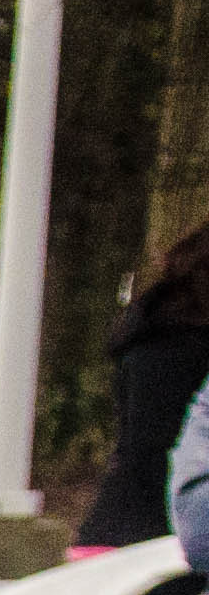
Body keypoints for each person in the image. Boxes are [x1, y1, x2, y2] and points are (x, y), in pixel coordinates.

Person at [75, 221, 209, 557]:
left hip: (113, 532)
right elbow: (159, 451)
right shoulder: (182, 349)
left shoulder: (152, 333)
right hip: (149, 547)